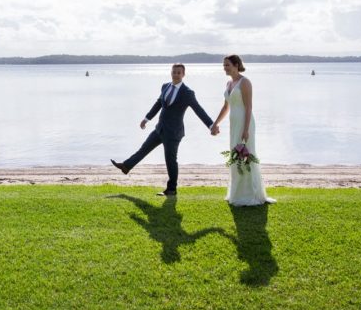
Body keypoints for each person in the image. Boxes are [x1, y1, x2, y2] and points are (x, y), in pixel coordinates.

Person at [111, 63, 217, 197]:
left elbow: (199, 110)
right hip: (159, 129)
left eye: (179, 72)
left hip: (173, 133)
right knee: (143, 149)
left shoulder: (188, 93)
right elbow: (158, 104)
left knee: (170, 160)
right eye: (174, 72)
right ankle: (126, 166)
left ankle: (171, 189)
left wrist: (211, 125)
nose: (176, 74)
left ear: (183, 75)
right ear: (171, 73)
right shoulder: (165, 86)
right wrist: (146, 118)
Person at [211, 55, 275, 207]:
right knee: (235, 155)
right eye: (224, 65)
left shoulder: (245, 82)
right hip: (234, 123)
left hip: (245, 123)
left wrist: (246, 129)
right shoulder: (229, 83)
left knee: (246, 155)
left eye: (227, 65)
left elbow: (249, 107)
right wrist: (215, 123)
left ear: (236, 65)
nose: (224, 68)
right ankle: (237, 192)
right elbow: (226, 107)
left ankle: (250, 194)